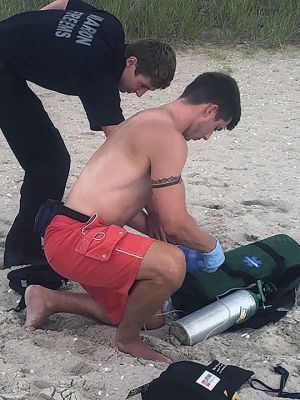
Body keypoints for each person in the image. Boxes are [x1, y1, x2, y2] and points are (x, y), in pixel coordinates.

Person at [25, 72, 241, 363]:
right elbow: (175, 223)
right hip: (76, 237)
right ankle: (126, 341)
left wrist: (155, 225)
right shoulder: (168, 137)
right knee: (171, 264)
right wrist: (211, 247)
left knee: (150, 316)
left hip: (72, 232)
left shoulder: (148, 119)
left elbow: (119, 198)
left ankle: (48, 299)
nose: (207, 136)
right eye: (216, 127)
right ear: (210, 110)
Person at [0, 0, 176, 269]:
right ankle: (21, 251)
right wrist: (153, 208)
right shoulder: (99, 75)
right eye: (142, 85)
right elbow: (125, 149)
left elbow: (63, 3)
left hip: (7, 59)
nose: (139, 94)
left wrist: (37, 31)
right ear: (131, 62)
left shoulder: (111, 27)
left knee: (50, 161)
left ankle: (23, 246)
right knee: (49, 164)